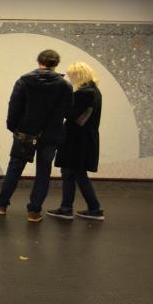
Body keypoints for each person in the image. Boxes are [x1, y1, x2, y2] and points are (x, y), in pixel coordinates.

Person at [0, 49, 72, 223]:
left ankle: (1, 204)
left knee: (15, 169)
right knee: (43, 172)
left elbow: (14, 106)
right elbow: (68, 111)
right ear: (56, 64)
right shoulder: (65, 86)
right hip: (51, 135)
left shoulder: (24, 81)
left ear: (39, 61)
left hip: (26, 133)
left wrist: (13, 127)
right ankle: (34, 212)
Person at [47, 61, 104, 221]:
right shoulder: (95, 92)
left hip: (76, 140)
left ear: (78, 75)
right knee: (74, 173)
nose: (70, 79)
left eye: (72, 75)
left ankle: (83, 208)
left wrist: (60, 100)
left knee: (73, 173)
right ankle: (80, 207)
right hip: (84, 139)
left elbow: (71, 115)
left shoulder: (84, 94)